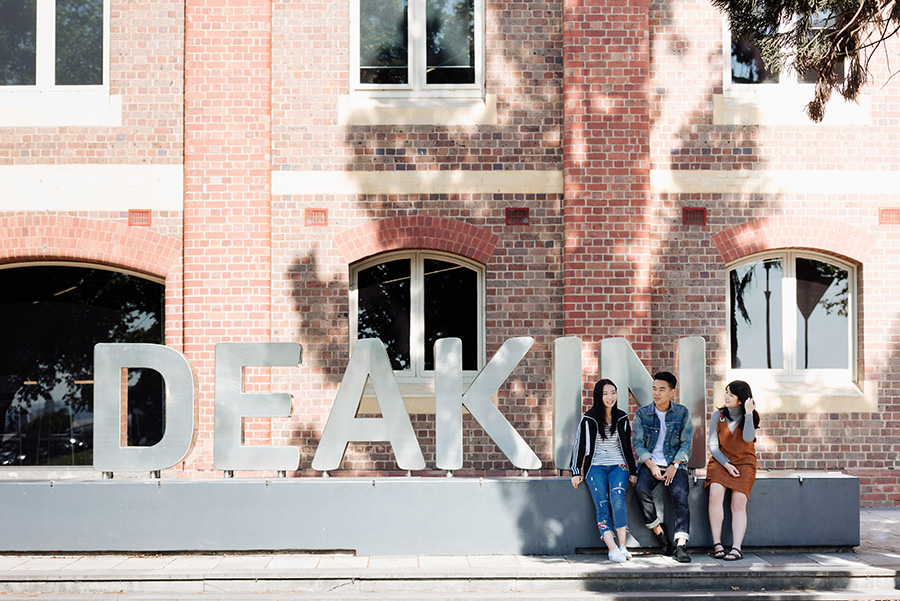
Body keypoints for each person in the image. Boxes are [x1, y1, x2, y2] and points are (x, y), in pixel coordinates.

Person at [570, 379, 638, 563]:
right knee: (602, 505)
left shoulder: (622, 418)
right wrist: (576, 471)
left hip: (619, 466)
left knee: (617, 499)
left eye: (613, 392)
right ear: (599, 396)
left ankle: (622, 546)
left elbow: (627, 447)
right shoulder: (589, 419)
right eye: (606, 393)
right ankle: (612, 548)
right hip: (595, 468)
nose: (610, 397)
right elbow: (579, 445)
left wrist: (633, 471)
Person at [632, 371, 693, 563]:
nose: (656, 393)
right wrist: (650, 465)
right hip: (651, 462)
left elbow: (686, 443)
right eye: (654, 389)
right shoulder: (642, 413)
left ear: (672, 392)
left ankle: (681, 545)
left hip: (675, 463)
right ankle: (660, 534)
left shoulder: (682, 412)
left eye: (661, 389)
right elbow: (638, 444)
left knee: (680, 496)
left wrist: (675, 465)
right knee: (641, 490)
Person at [705, 380, 760, 561]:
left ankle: (736, 548)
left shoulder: (749, 417)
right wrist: (727, 464)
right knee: (715, 493)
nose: (726, 397)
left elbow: (748, 437)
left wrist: (749, 412)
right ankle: (717, 543)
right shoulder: (718, 416)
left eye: (731, 394)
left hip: (745, 463)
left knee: (738, 502)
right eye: (726, 392)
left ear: (741, 399)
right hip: (722, 462)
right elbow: (713, 446)